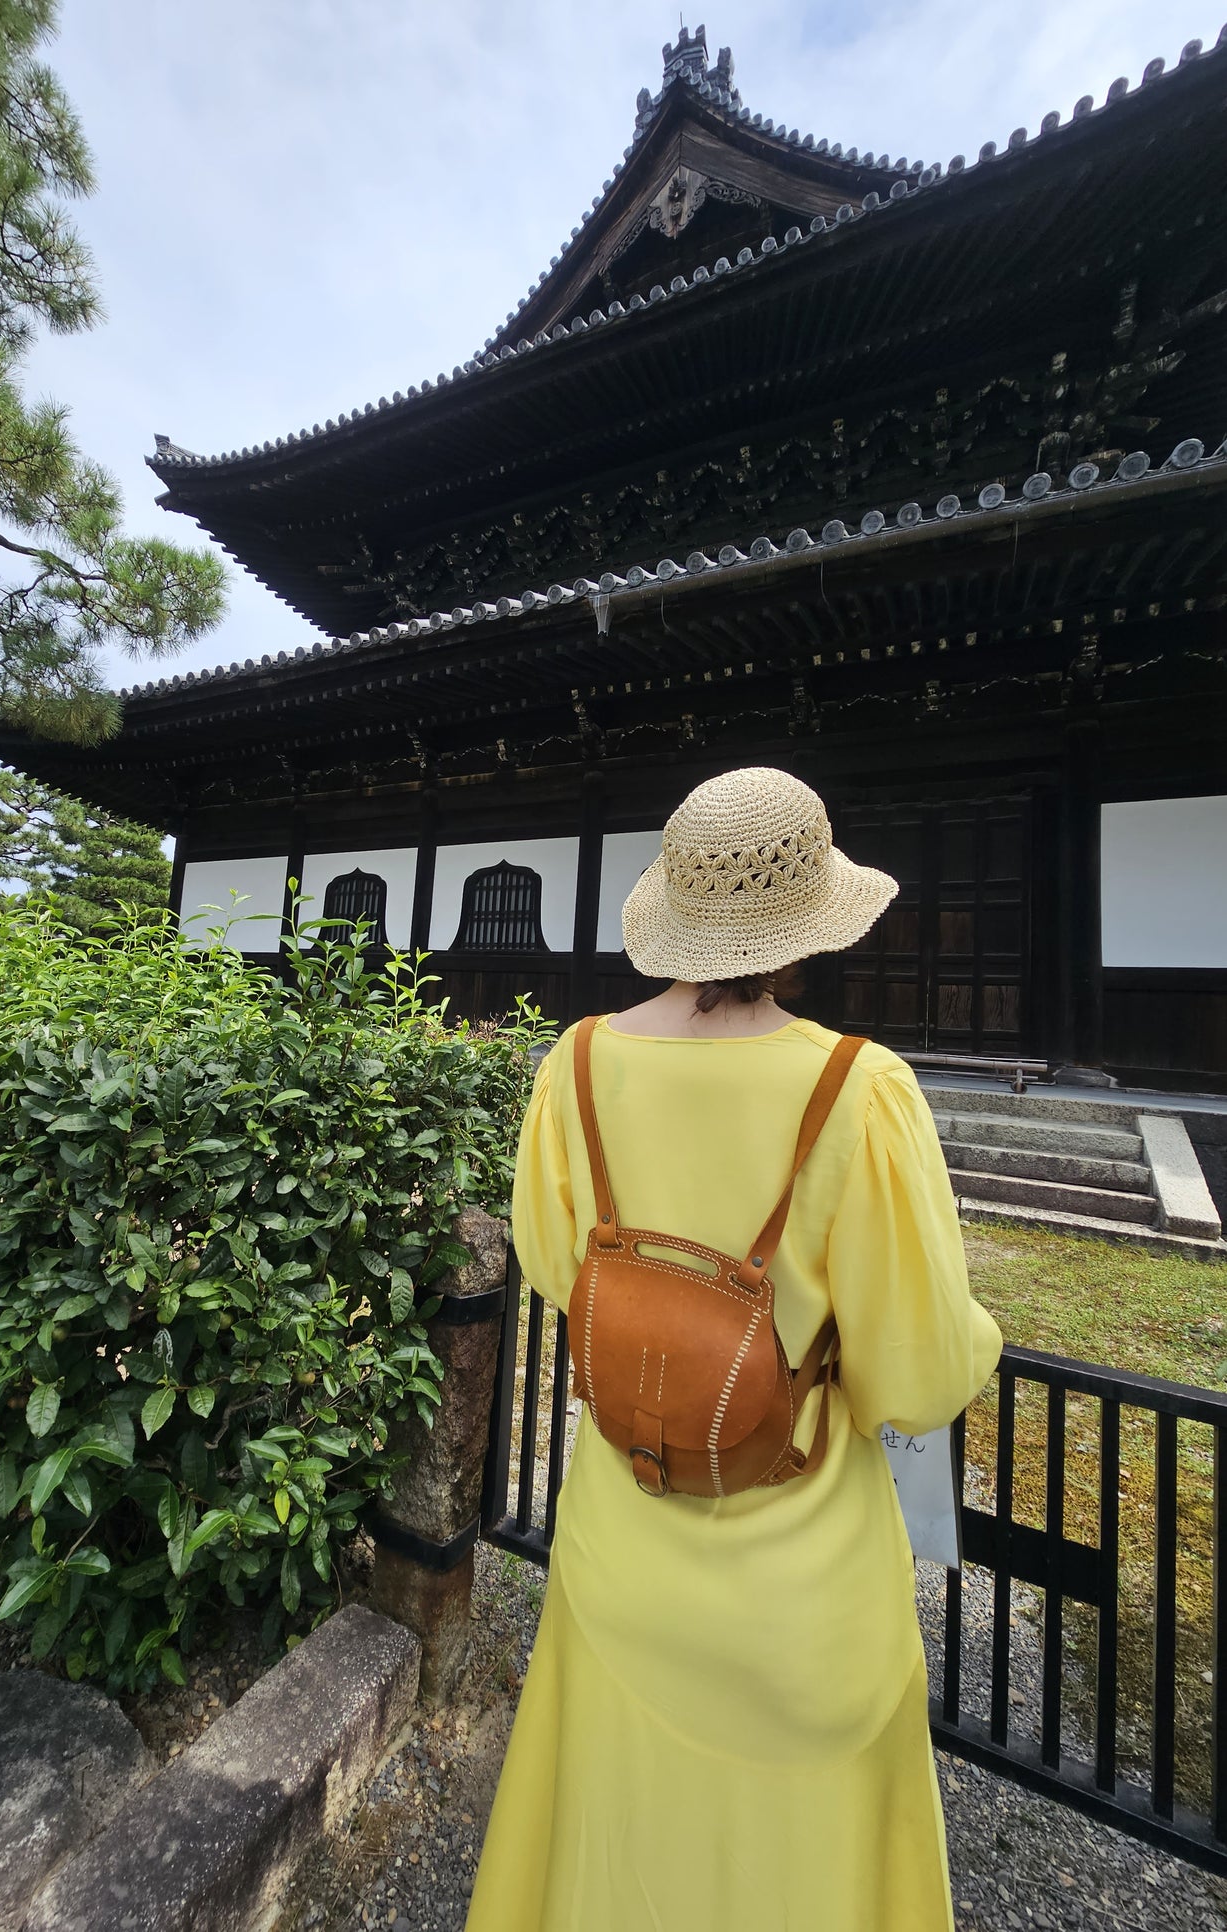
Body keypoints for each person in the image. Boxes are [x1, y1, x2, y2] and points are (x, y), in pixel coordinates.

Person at [464, 767, 1003, 1932]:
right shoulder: (859, 1092)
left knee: (611, 1857)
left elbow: (562, 1270)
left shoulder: (579, 1065)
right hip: (799, 1594)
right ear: (809, 919)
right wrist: (975, 1336)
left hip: (619, 1543)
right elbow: (912, 1374)